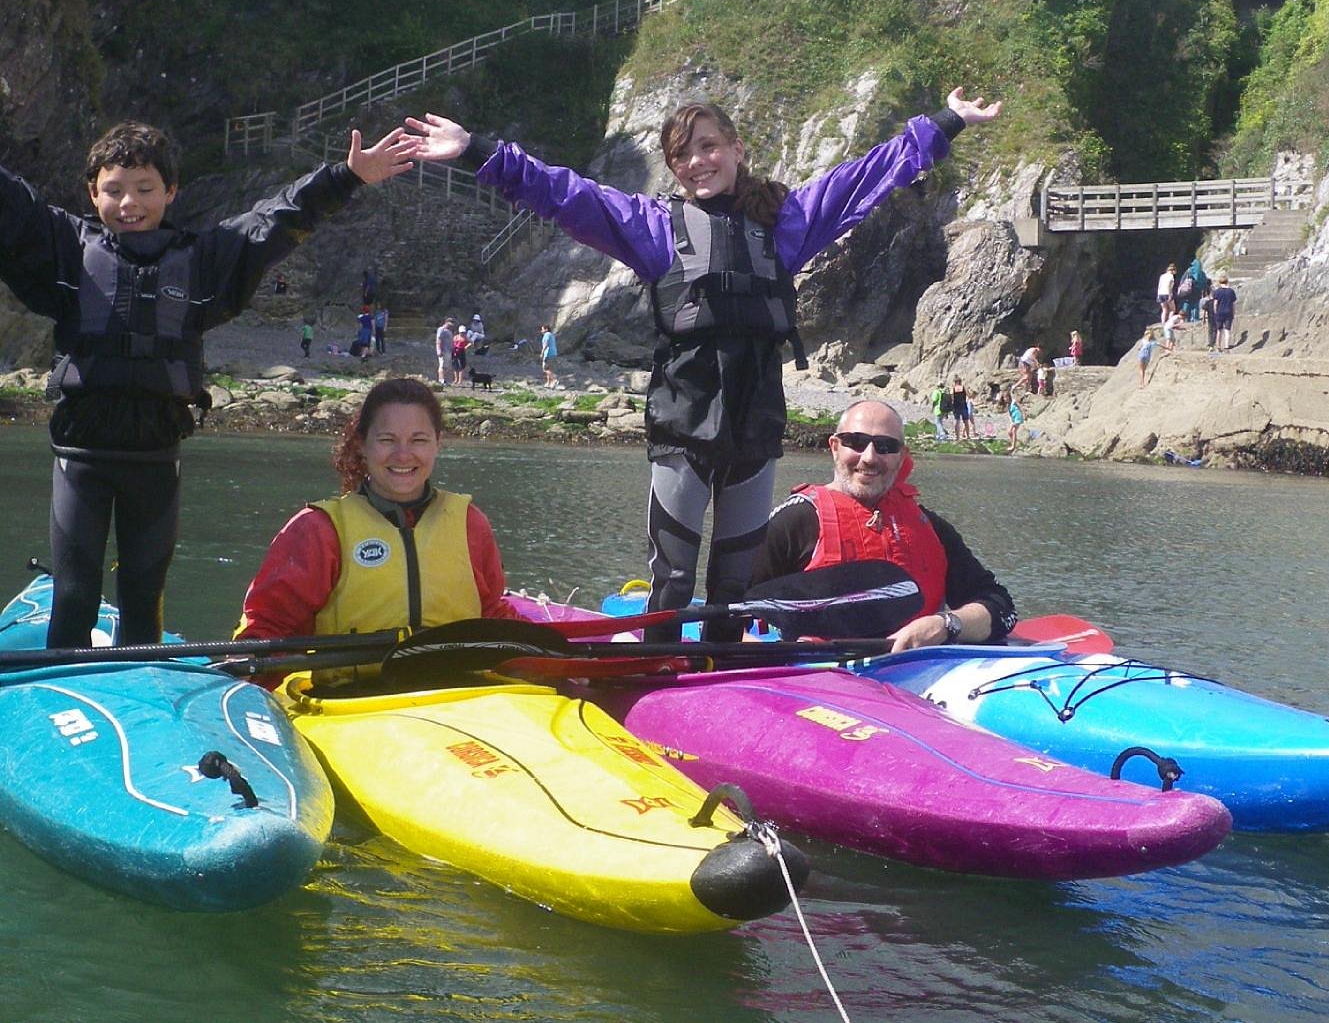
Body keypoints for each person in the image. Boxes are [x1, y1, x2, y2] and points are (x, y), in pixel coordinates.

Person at [404, 87, 1002, 642]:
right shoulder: (656, 228)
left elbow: (862, 179)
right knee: (673, 578)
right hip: (684, 423)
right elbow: (566, 194)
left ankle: (723, 669)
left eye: (709, 147)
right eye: (682, 155)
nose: (697, 162)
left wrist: (945, 122)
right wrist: (478, 152)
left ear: (737, 150)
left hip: (754, 424)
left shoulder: (784, 224)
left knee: (734, 585)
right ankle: (654, 669)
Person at [0, 70, 415, 652]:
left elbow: (277, 219)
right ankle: (64, 692)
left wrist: (347, 176)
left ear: (171, 193)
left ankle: (144, 689)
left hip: (156, 457)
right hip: (82, 457)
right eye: (115, 189)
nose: (130, 203)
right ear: (93, 193)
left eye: (146, 188)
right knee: (75, 594)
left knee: (144, 596)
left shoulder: (203, 261)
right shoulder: (66, 251)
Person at [236, 378, 519, 645]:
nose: (403, 455)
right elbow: (269, 627)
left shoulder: (470, 522)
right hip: (351, 692)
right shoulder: (318, 529)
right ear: (362, 445)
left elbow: (492, 612)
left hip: (461, 688)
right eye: (387, 440)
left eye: (418, 440)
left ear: (437, 443)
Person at [750, 400, 1016, 652]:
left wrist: (946, 625)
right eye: (856, 442)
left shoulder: (932, 528)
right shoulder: (793, 520)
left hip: (918, 673)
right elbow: (733, 610)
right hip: (819, 678)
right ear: (834, 447)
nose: (869, 457)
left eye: (885, 446)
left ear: (902, 457)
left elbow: (1000, 606)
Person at [1211, 271, 1238, 351]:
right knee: (1227, 330)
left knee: (1219, 330)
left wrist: (1215, 312)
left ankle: (1218, 346)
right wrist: (1233, 312)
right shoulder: (1231, 291)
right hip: (1229, 312)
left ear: (1220, 282)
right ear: (1227, 282)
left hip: (1219, 312)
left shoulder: (1217, 292)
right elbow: (1233, 304)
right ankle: (1226, 346)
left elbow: (1215, 303)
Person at [949, 376, 973, 442]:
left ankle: (957, 437)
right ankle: (968, 436)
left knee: (957, 421)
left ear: (955, 382)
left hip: (956, 406)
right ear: (960, 382)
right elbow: (969, 396)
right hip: (963, 405)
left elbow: (951, 398)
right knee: (966, 421)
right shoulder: (964, 387)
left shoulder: (953, 389)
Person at [434, 316, 456, 384]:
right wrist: (439, 350)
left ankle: (444, 379)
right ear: (446, 322)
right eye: (451, 322)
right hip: (443, 350)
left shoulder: (449, 331)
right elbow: (439, 340)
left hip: (448, 351)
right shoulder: (441, 329)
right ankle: (441, 380)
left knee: (446, 366)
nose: (452, 324)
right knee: (442, 365)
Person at [538, 323, 560, 389]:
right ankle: (548, 383)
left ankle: (554, 380)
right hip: (554, 353)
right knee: (550, 369)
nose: (541, 331)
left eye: (542, 329)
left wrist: (542, 352)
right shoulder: (552, 335)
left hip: (548, 353)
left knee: (545, 369)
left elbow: (546, 344)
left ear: (546, 329)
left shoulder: (547, 334)